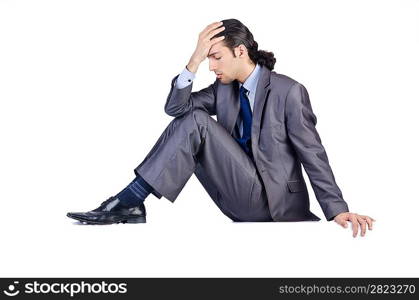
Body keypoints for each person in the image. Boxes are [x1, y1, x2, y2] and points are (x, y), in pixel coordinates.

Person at [67, 19, 375, 237]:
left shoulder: (288, 92)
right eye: (208, 59)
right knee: (191, 120)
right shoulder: (222, 89)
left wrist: (336, 210)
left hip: (274, 205)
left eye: (216, 57)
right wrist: (194, 61)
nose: (211, 67)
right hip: (238, 197)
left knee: (198, 122)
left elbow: (312, 152)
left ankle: (130, 202)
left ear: (241, 51)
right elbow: (175, 110)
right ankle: (131, 203)